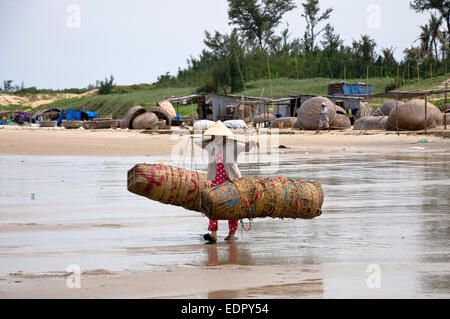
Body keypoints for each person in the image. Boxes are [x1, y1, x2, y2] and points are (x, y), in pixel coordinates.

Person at [196, 121, 258, 243]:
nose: (216, 138)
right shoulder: (211, 145)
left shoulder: (233, 145)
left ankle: (231, 233)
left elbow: (247, 147)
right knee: (212, 205)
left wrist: (252, 142)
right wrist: (209, 136)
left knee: (233, 205)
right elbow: (198, 141)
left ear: (224, 136)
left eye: (218, 135)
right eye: (214, 135)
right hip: (216, 180)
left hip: (232, 180)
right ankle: (213, 233)